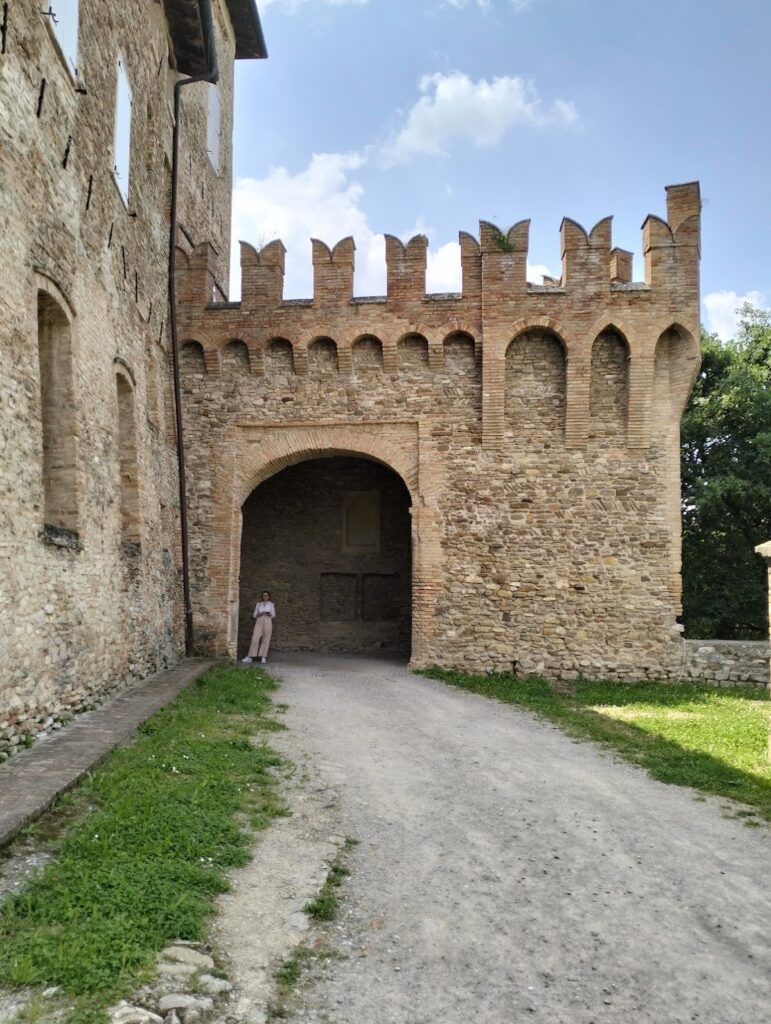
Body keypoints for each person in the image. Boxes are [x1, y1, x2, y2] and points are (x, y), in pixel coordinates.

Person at [242, 591, 276, 664]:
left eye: (266, 595)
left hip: (268, 620)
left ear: (269, 596)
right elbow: (254, 615)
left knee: (266, 639)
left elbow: (273, 615)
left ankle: (263, 657)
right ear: (262, 596)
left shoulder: (271, 604)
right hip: (259, 620)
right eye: (264, 595)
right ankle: (250, 656)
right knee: (255, 638)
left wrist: (269, 613)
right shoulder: (259, 604)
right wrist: (259, 614)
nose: (265, 596)